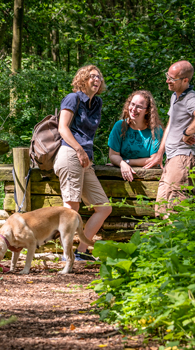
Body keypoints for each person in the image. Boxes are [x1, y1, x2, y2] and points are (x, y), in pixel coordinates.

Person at [53, 65, 112, 261]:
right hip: (70, 154)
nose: (97, 79)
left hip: (85, 159)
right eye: (92, 76)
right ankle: (67, 255)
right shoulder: (73, 98)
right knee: (71, 208)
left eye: (99, 77)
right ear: (83, 79)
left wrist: (84, 153)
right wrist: (79, 149)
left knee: (104, 207)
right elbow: (63, 128)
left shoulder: (97, 102)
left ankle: (82, 250)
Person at [144, 60, 195, 217]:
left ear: (185, 80)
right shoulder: (175, 96)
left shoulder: (191, 98)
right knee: (161, 209)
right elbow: (171, 124)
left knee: (175, 210)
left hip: (184, 158)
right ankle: (164, 241)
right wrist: (160, 153)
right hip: (172, 159)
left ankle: (180, 241)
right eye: (168, 76)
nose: (168, 80)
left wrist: (187, 133)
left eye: (172, 78)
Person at [108, 90, 163, 182]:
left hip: (149, 179)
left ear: (147, 111)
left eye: (139, 107)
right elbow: (113, 155)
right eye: (132, 104)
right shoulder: (120, 126)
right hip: (120, 178)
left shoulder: (156, 130)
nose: (133, 109)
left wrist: (126, 162)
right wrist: (122, 164)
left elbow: (154, 160)